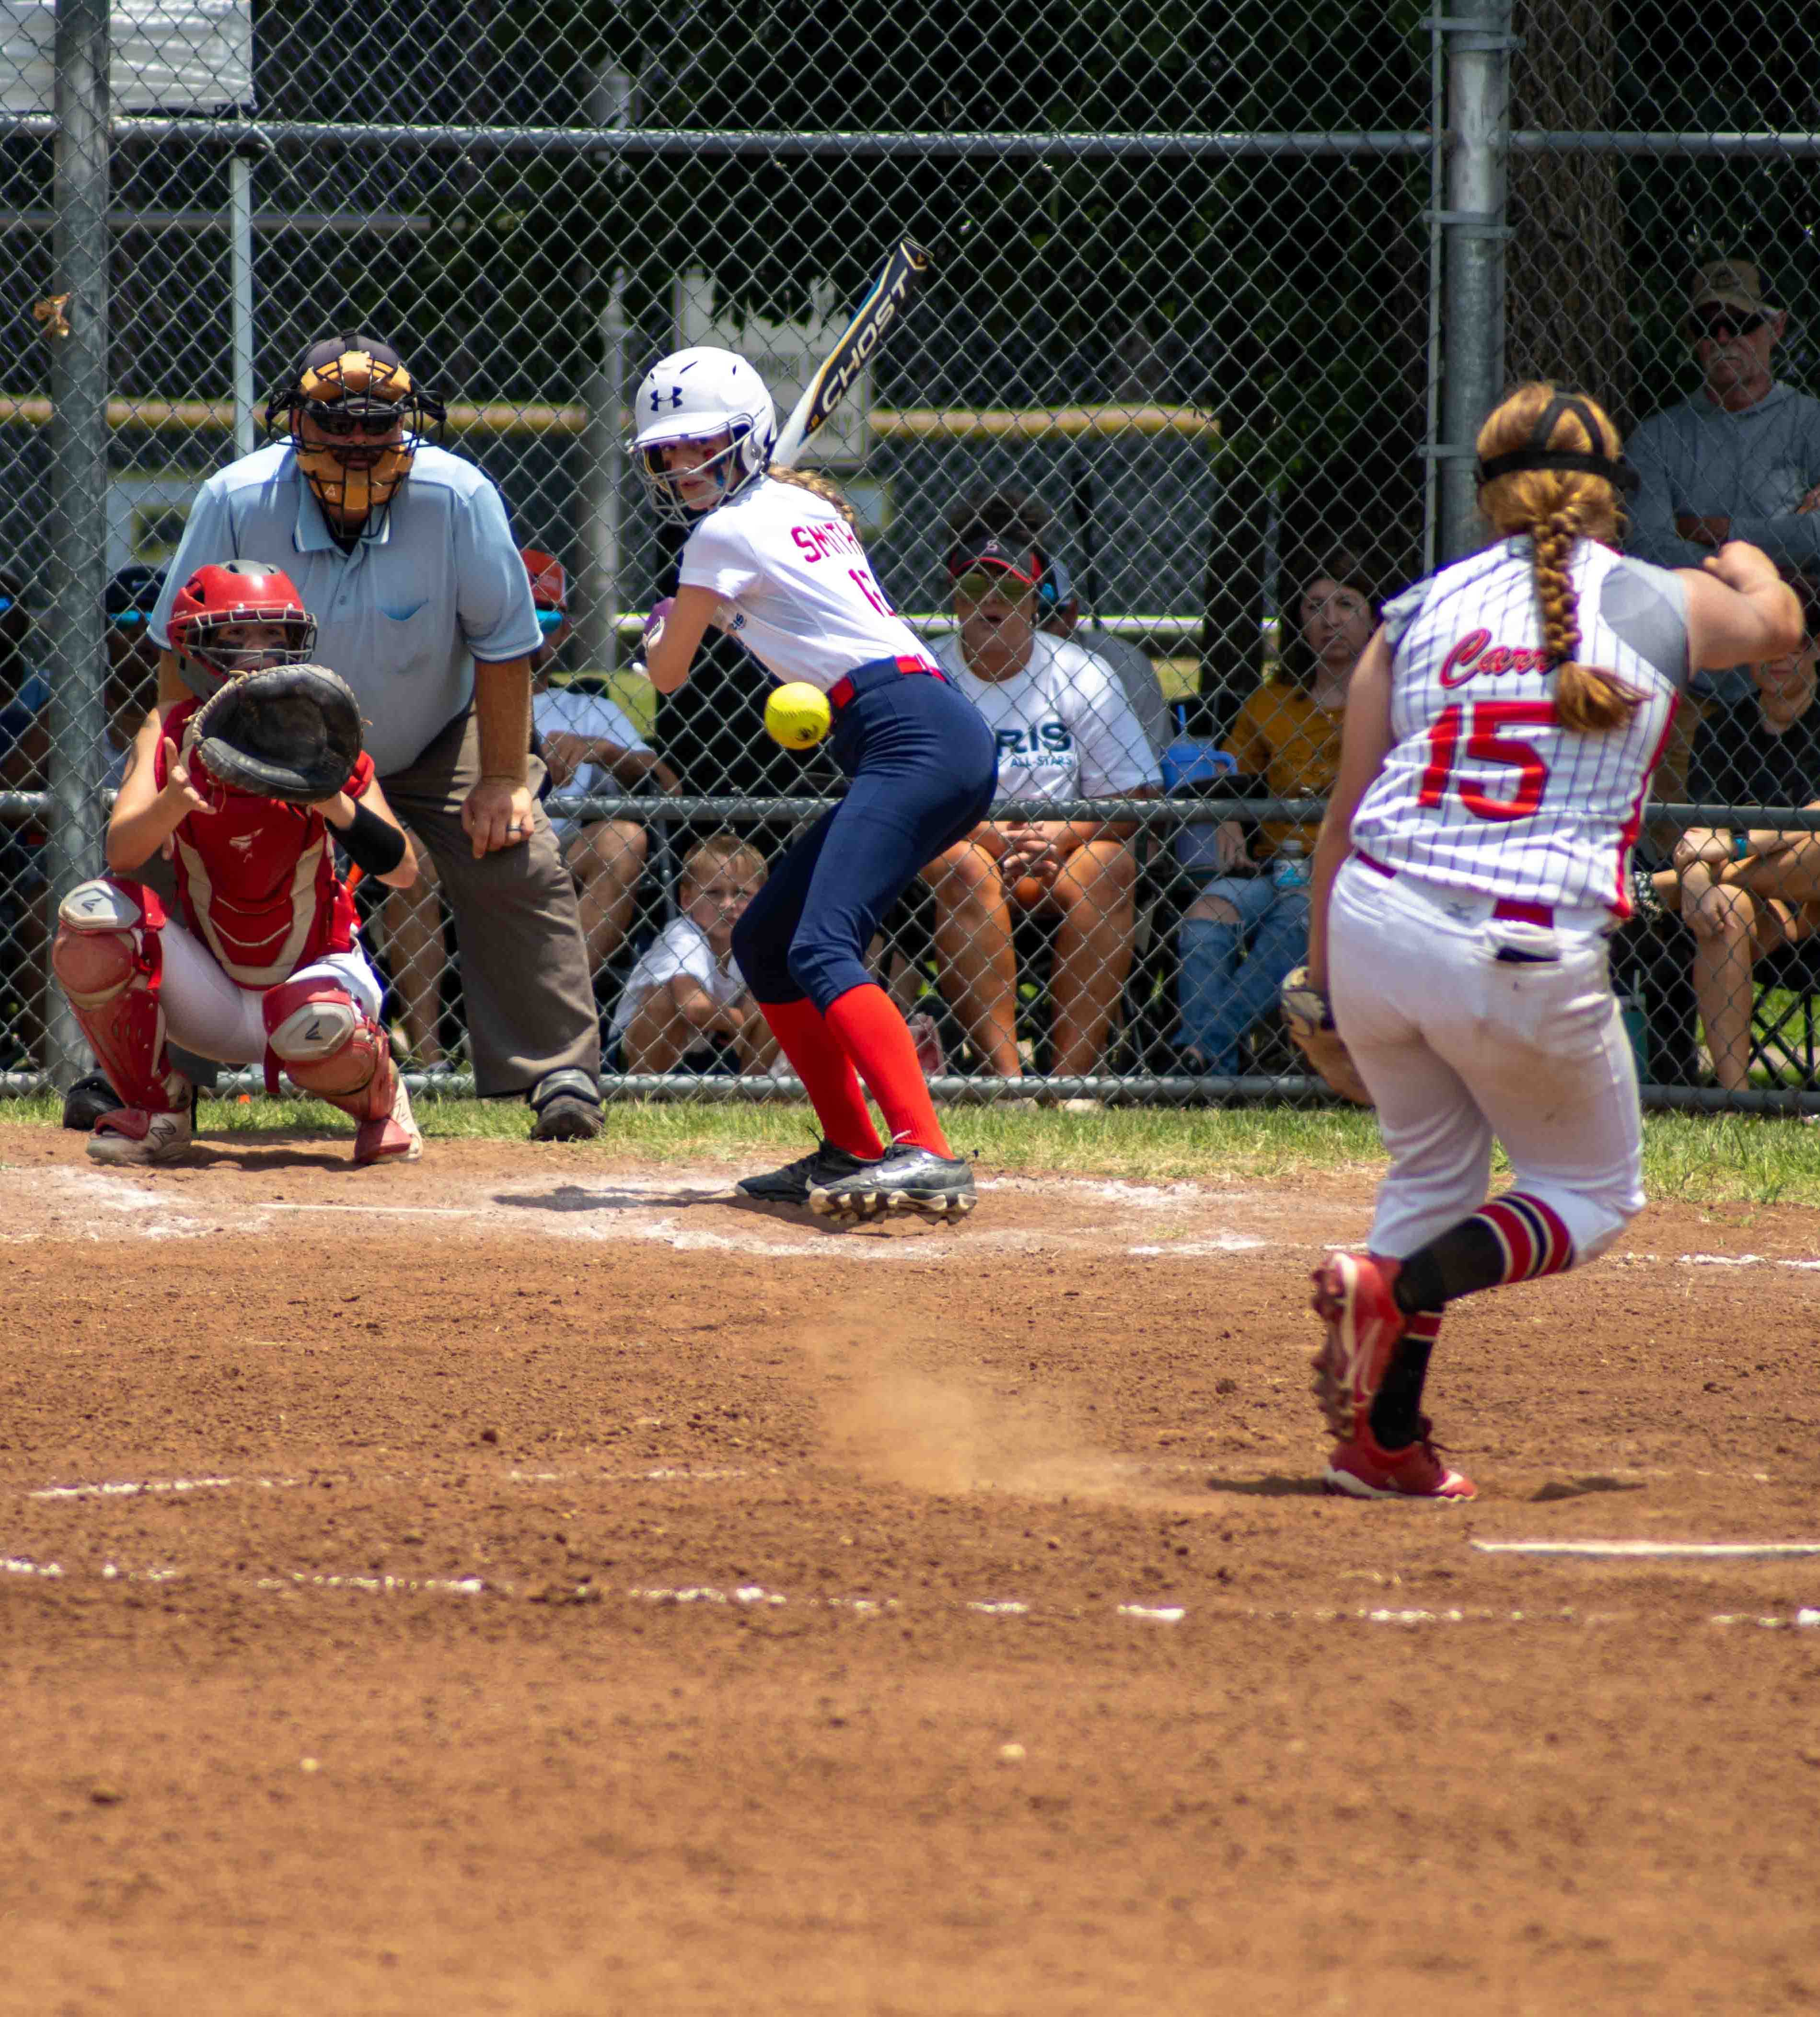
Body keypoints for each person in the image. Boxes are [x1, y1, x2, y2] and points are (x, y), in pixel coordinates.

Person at [1302, 383, 1799, 1500]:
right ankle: (1390, 1282)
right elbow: (1781, 625)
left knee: (1433, 1171)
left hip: (1375, 918)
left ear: (1488, 497)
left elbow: (1340, 819)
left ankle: (1382, 1441)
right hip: (1516, 945)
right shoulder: (1656, 597)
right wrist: (1746, 561)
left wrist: (1325, 991)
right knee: (1590, 1194)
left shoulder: (1412, 612)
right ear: (1608, 497)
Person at [146, 330, 603, 1141]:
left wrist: (504, 778)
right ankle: (155, 1072)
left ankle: (558, 1072)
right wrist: (184, 761)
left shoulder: (458, 497)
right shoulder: (236, 496)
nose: (359, 442)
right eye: (337, 423)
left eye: (378, 423)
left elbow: (505, 649)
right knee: (163, 843)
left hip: (434, 730)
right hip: (261, 736)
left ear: (408, 423)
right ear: (297, 422)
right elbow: (179, 647)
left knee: (518, 847)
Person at [631, 344, 997, 1219]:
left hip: (909, 734)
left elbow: (668, 673)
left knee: (821, 944)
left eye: (703, 445)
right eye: (668, 451)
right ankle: (851, 1145)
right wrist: (701, 604)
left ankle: (926, 1150)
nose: (683, 465)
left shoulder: (719, 534)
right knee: (765, 938)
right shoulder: (787, 505)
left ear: (750, 437)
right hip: (918, 730)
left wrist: (661, 627)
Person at [49, 560, 424, 1166]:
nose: (255, 654)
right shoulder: (171, 729)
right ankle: (159, 1111)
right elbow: (122, 853)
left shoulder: (323, 737)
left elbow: (402, 870)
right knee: (92, 921)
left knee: (315, 1026)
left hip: (313, 977)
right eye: (234, 638)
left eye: (273, 637)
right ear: (195, 650)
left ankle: (380, 1101)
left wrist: (331, 797)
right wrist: (172, 803)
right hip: (216, 989)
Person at [378, 548, 681, 1057]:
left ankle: (529, 1024)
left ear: (564, 629)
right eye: (514, 614)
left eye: (543, 617)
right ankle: (428, 1055)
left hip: (559, 846)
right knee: (409, 852)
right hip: (457, 840)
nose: (530, 630)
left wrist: (602, 752)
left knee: (624, 838)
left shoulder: (589, 708)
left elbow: (668, 785)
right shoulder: (442, 701)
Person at [926, 524, 1161, 1081]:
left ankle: (1068, 1083)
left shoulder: (1081, 673)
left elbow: (1135, 795)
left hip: (1060, 844)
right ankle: (1006, 1083)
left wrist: (1062, 833)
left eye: (1008, 589)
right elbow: (903, 793)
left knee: (1111, 864)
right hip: (957, 842)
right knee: (961, 865)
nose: (990, 602)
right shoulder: (925, 672)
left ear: (1034, 601)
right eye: (974, 586)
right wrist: (982, 834)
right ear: (955, 599)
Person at [1177, 550, 1380, 1074]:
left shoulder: (1388, 698)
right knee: (1205, 917)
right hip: (1275, 863)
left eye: (1344, 604)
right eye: (1313, 606)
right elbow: (1229, 774)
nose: (1329, 619)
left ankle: (1199, 1054)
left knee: (1295, 914)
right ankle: (1213, 1071)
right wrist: (1226, 816)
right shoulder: (1272, 702)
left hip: (1349, 871)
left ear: (1372, 617)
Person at [1649, 599, 1820, 1090]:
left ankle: (1657, 887)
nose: (1781, 656)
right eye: (1769, 645)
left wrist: (1738, 844)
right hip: (1762, 906)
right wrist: (1700, 881)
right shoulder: (1725, 727)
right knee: (1722, 904)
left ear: (1815, 653)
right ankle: (1734, 1098)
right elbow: (1696, 837)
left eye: (1797, 644)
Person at [1627, 258, 1820, 581]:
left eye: (1739, 322)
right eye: (1706, 325)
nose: (1722, 337)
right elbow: (1647, 548)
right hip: (1698, 620)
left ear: (1776, 327)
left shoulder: (1811, 422)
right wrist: (1784, 542)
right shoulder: (1656, 438)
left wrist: (1724, 529)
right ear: (1692, 337)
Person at [609, 833, 777, 1075]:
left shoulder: (756, 942)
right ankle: (643, 1091)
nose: (728, 904)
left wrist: (745, 1016)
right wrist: (739, 1021)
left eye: (742, 893)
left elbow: (760, 1000)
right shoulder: (683, 936)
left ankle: (752, 1092)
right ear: (687, 899)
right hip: (640, 1050)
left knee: (774, 1001)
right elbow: (693, 1006)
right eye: (714, 893)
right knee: (666, 998)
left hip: (714, 1048)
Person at [1036, 548, 1172, 757]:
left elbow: (1154, 776)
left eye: (1043, 624)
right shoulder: (971, 670)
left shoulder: (1124, 666)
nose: (1030, 637)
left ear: (1071, 614)